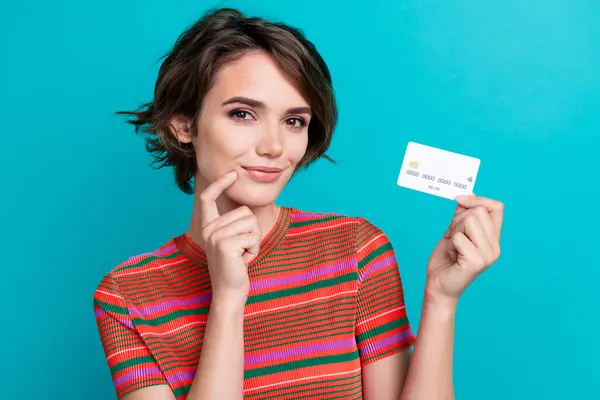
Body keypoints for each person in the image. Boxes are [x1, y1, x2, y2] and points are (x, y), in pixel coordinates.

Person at [93, 7, 504, 400]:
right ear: (183, 124)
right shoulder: (127, 296)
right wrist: (228, 298)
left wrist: (441, 301)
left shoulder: (356, 250)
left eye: (294, 121)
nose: (274, 147)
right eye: (242, 114)